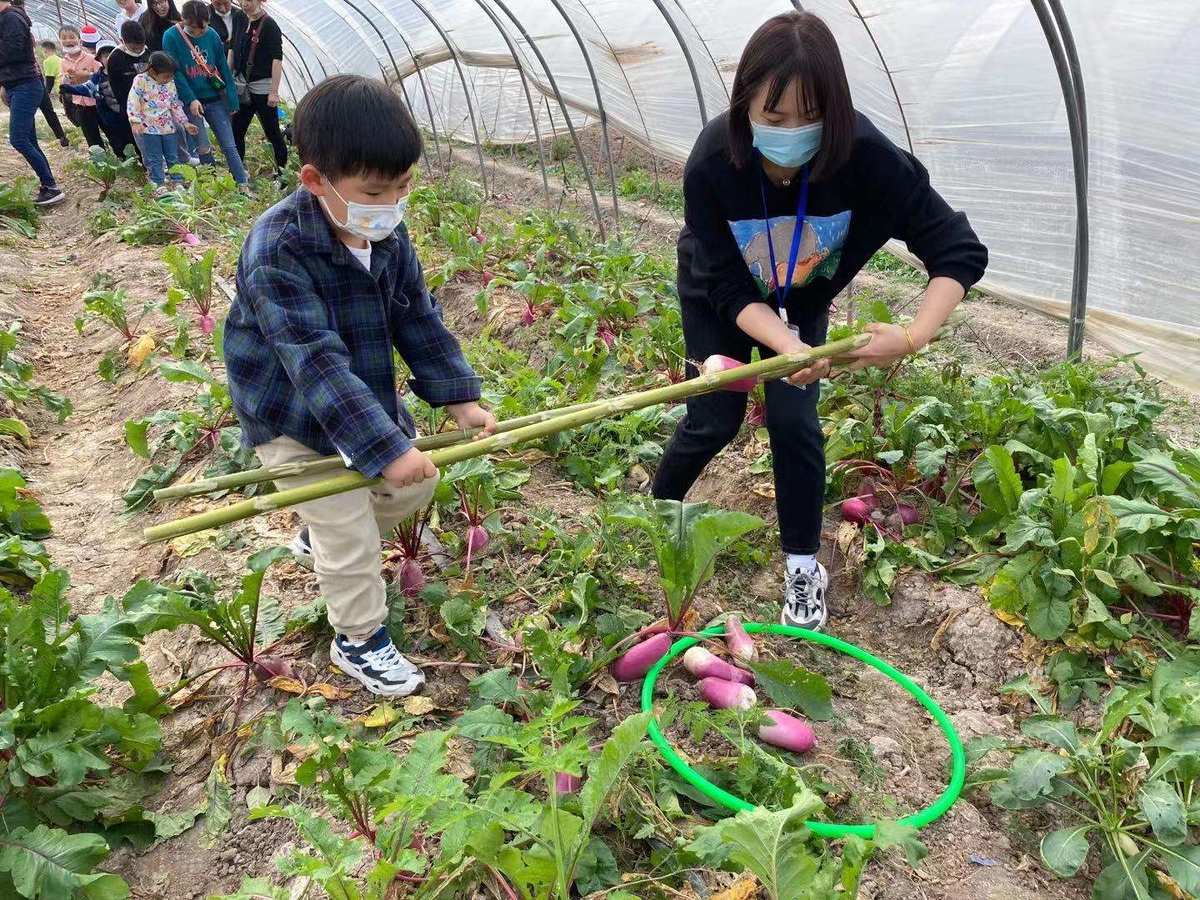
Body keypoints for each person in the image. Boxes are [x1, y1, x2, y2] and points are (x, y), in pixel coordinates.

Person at [651, 11, 987, 631]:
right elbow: (727, 282)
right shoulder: (712, 163)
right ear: (744, 101)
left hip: (798, 293)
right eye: (774, 118)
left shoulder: (867, 161)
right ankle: (658, 509)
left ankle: (803, 567)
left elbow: (958, 250)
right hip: (719, 294)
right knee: (715, 414)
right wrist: (788, 347)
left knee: (794, 421)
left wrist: (910, 338)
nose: (793, 132)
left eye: (812, 116)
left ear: (836, 110)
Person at [224, 75, 496, 697]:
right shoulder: (278, 249)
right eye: (375, 191)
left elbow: (415, 317)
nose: (392, 203)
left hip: (359, 394)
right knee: (349, 529)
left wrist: (459, 395)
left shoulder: (386, 234)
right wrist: (387, 447)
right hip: (289, 410)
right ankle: (359, 639)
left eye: (402, 187)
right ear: (315, 180)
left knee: (412, 487)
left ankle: (317, 528)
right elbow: (313, 361)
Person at [163, 1, 247, 185]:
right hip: (190, 101)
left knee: (229, 144)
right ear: (183, 20)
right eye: (194, 28)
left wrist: (232, 98)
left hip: (214, 98)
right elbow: (175, 72)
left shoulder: (212, 35)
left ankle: (242, 183)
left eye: (204, 27)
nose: (200, 32)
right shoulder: (171, 37)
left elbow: (223, 66)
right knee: (202, 147)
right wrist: (191, 99)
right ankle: (213, 184)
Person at [0, 0, 65, 205]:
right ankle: (48, 186)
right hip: (16, 85)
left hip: (25, 86)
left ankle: (51, 186)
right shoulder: (6, 18)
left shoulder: (11, 17)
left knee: (18, 139)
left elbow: (14, 51)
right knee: (29, 140)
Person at [231, 0, 286, 178]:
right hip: (242, 84)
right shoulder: (239, 17)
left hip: (262, 87)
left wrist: (274, 91)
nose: (244, 3)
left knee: (273, 133)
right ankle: (239, 174)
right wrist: (227, 75)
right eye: (241, 0)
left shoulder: (270, 25)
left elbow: (277, 59)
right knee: (237, 130)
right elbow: (233, 47)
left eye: (248, 0)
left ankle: (282, 174)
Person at [127, 51, 197, 190]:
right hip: (148, 128)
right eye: (166, 76)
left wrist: (185, 122)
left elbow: (174, 104)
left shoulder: (170, 83)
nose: (168, 79)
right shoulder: (141, 80)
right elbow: (132, 100)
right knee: (154, 158)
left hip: (167, 127)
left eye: (171, 76)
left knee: (172, 156)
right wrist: (135, 121)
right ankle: (158, 184)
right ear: (153, 71)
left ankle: (178, 181)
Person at [63, 40, 135, 158]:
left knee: (132, 141)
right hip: (109, 117)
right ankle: (123, 162)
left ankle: (139, 164)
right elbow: (87, 88)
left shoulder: (123, 73)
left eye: (112, 54)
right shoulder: (98, 77)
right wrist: (67, 88)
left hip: (127, 116)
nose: (109, 58)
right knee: (116, 142)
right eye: (106, 56)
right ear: (100, 59)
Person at [59, 24, 105, 149]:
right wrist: (67, 79)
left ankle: (123, 159)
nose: (68, 40)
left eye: (71, 37)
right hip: (80, 105)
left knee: (111, 132)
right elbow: (64, 85)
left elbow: (102, 76)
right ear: (60, 41)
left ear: (79, 39)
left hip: (97, 103)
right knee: (92, 138)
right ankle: (101, 165)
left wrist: (87, 76)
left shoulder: (91, 58)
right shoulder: (63, 63)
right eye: (64, 38)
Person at [36, 38, 69, 147]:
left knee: (68, 111)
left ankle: (64, 137)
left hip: (60, 88)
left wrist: (46, 93)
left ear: (46, 50)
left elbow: (49, 79)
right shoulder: (59, 59)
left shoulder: (47, 61)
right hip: (67, 86)